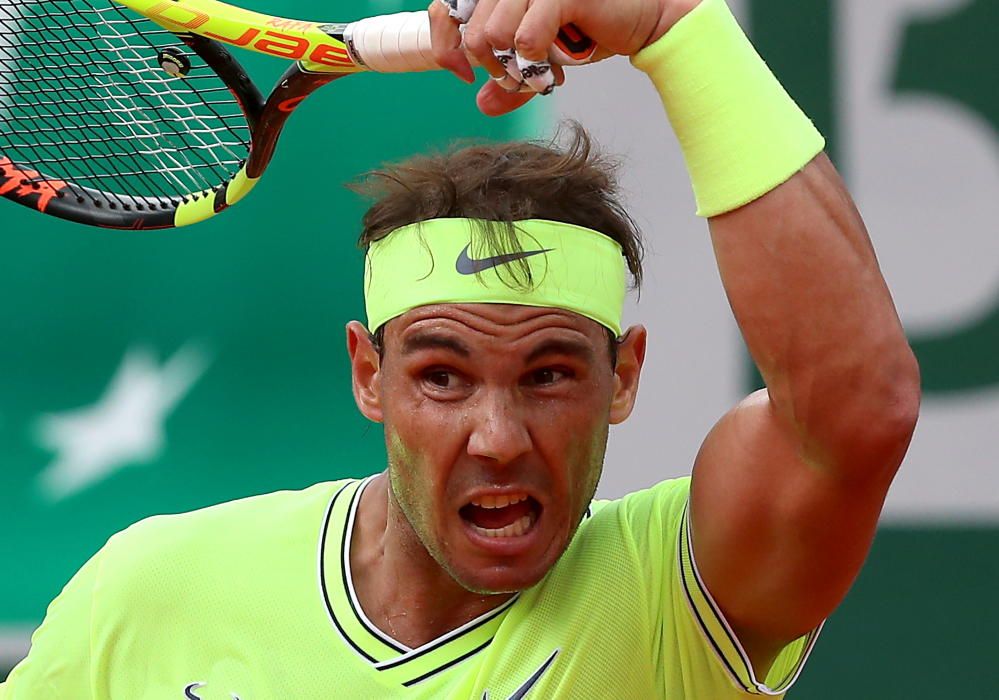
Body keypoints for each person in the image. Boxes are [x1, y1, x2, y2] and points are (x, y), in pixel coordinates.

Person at [0, 0, 920, 697]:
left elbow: (853, 415)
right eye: (442, 377)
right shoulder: (146, 592)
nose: (497, 436)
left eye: (549, 374)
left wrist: (679, 29)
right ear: (369, 374)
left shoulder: (674, 598)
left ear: (622, 378)